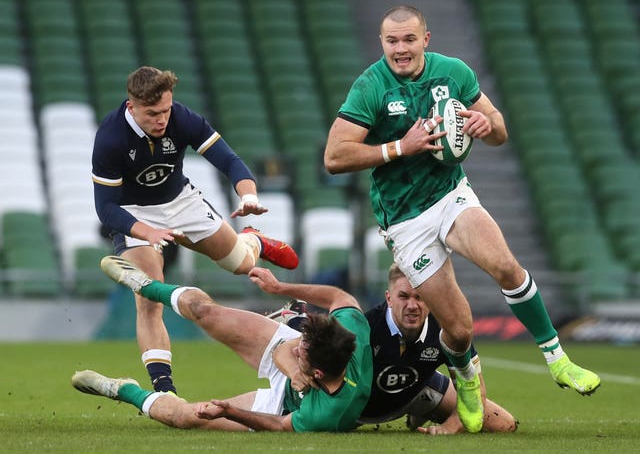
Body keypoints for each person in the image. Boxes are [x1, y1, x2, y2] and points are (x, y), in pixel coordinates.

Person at [323, 5, 600, 433]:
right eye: (392, 41)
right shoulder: (370, 87)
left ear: (425, 40)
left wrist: (482, 123)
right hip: (404, 220)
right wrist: (401, 146)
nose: (400, 49)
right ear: (382, 43)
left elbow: (499, 127)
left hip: (450, 194)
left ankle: (558, 360)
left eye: (409, 40)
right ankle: (467, 381)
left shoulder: (453, 72)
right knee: (459, 328)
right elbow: (334, 157)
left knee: (506, 266)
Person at [91, 66, 299, 395]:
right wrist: (147, 232)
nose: (162, 119)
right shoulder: (111, 138)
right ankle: (164, 390)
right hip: (135, 214)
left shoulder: (182, 118)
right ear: (132, 107)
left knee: (241, 265)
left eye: (166, 110)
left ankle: (252, 240)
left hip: (181, 202)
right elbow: (106, 208)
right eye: (152, 113)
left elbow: (229, 160)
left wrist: (248, 195)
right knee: (148, 294)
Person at [71, 255, 372, 432]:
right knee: (204, 311)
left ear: (318, 374)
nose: (297, 343)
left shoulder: (327, 412)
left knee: (184, 417)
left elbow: (281, 427)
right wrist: (280, 287)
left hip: (282, 407)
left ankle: (124, 390)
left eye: (302, 349)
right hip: (302, 374)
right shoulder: (349, 335)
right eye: (301, 340)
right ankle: (148, 286)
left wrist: (229, 411)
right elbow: (340, 299)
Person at [359, 263, 517, 435]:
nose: (412, 305)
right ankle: (425, 411)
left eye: (419, 297)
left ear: (431, 298)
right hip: (359, 409)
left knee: (505, 424)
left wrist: (452, 425)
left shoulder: (449, 328)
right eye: (404, 296)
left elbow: (476, 392)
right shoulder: (366, 326)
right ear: (389, 298)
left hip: (418, 391)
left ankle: (424, 410)